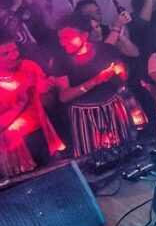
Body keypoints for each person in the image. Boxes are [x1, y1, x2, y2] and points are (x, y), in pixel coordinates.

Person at [0, 29, 65, 177]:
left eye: (15, 50)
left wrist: (44, 92)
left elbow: (50, 105)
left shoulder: (29, 67)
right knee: (27, 193)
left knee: (59, 181)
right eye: (5, 54)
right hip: (12, 151)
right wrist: (21, 102)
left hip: (43, 137)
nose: (14, 56)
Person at [48, 14, 133, 156]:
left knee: (123, 151)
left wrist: (120, 73)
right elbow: (64, 96)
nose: (63, 43)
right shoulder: (60, 61)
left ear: (84, 35)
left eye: (67, 38)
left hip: (112, 109)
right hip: (84, 116)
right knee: (92, 157)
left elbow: (122, 76)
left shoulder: (106, 50)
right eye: (60, 38)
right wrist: (96, 80)